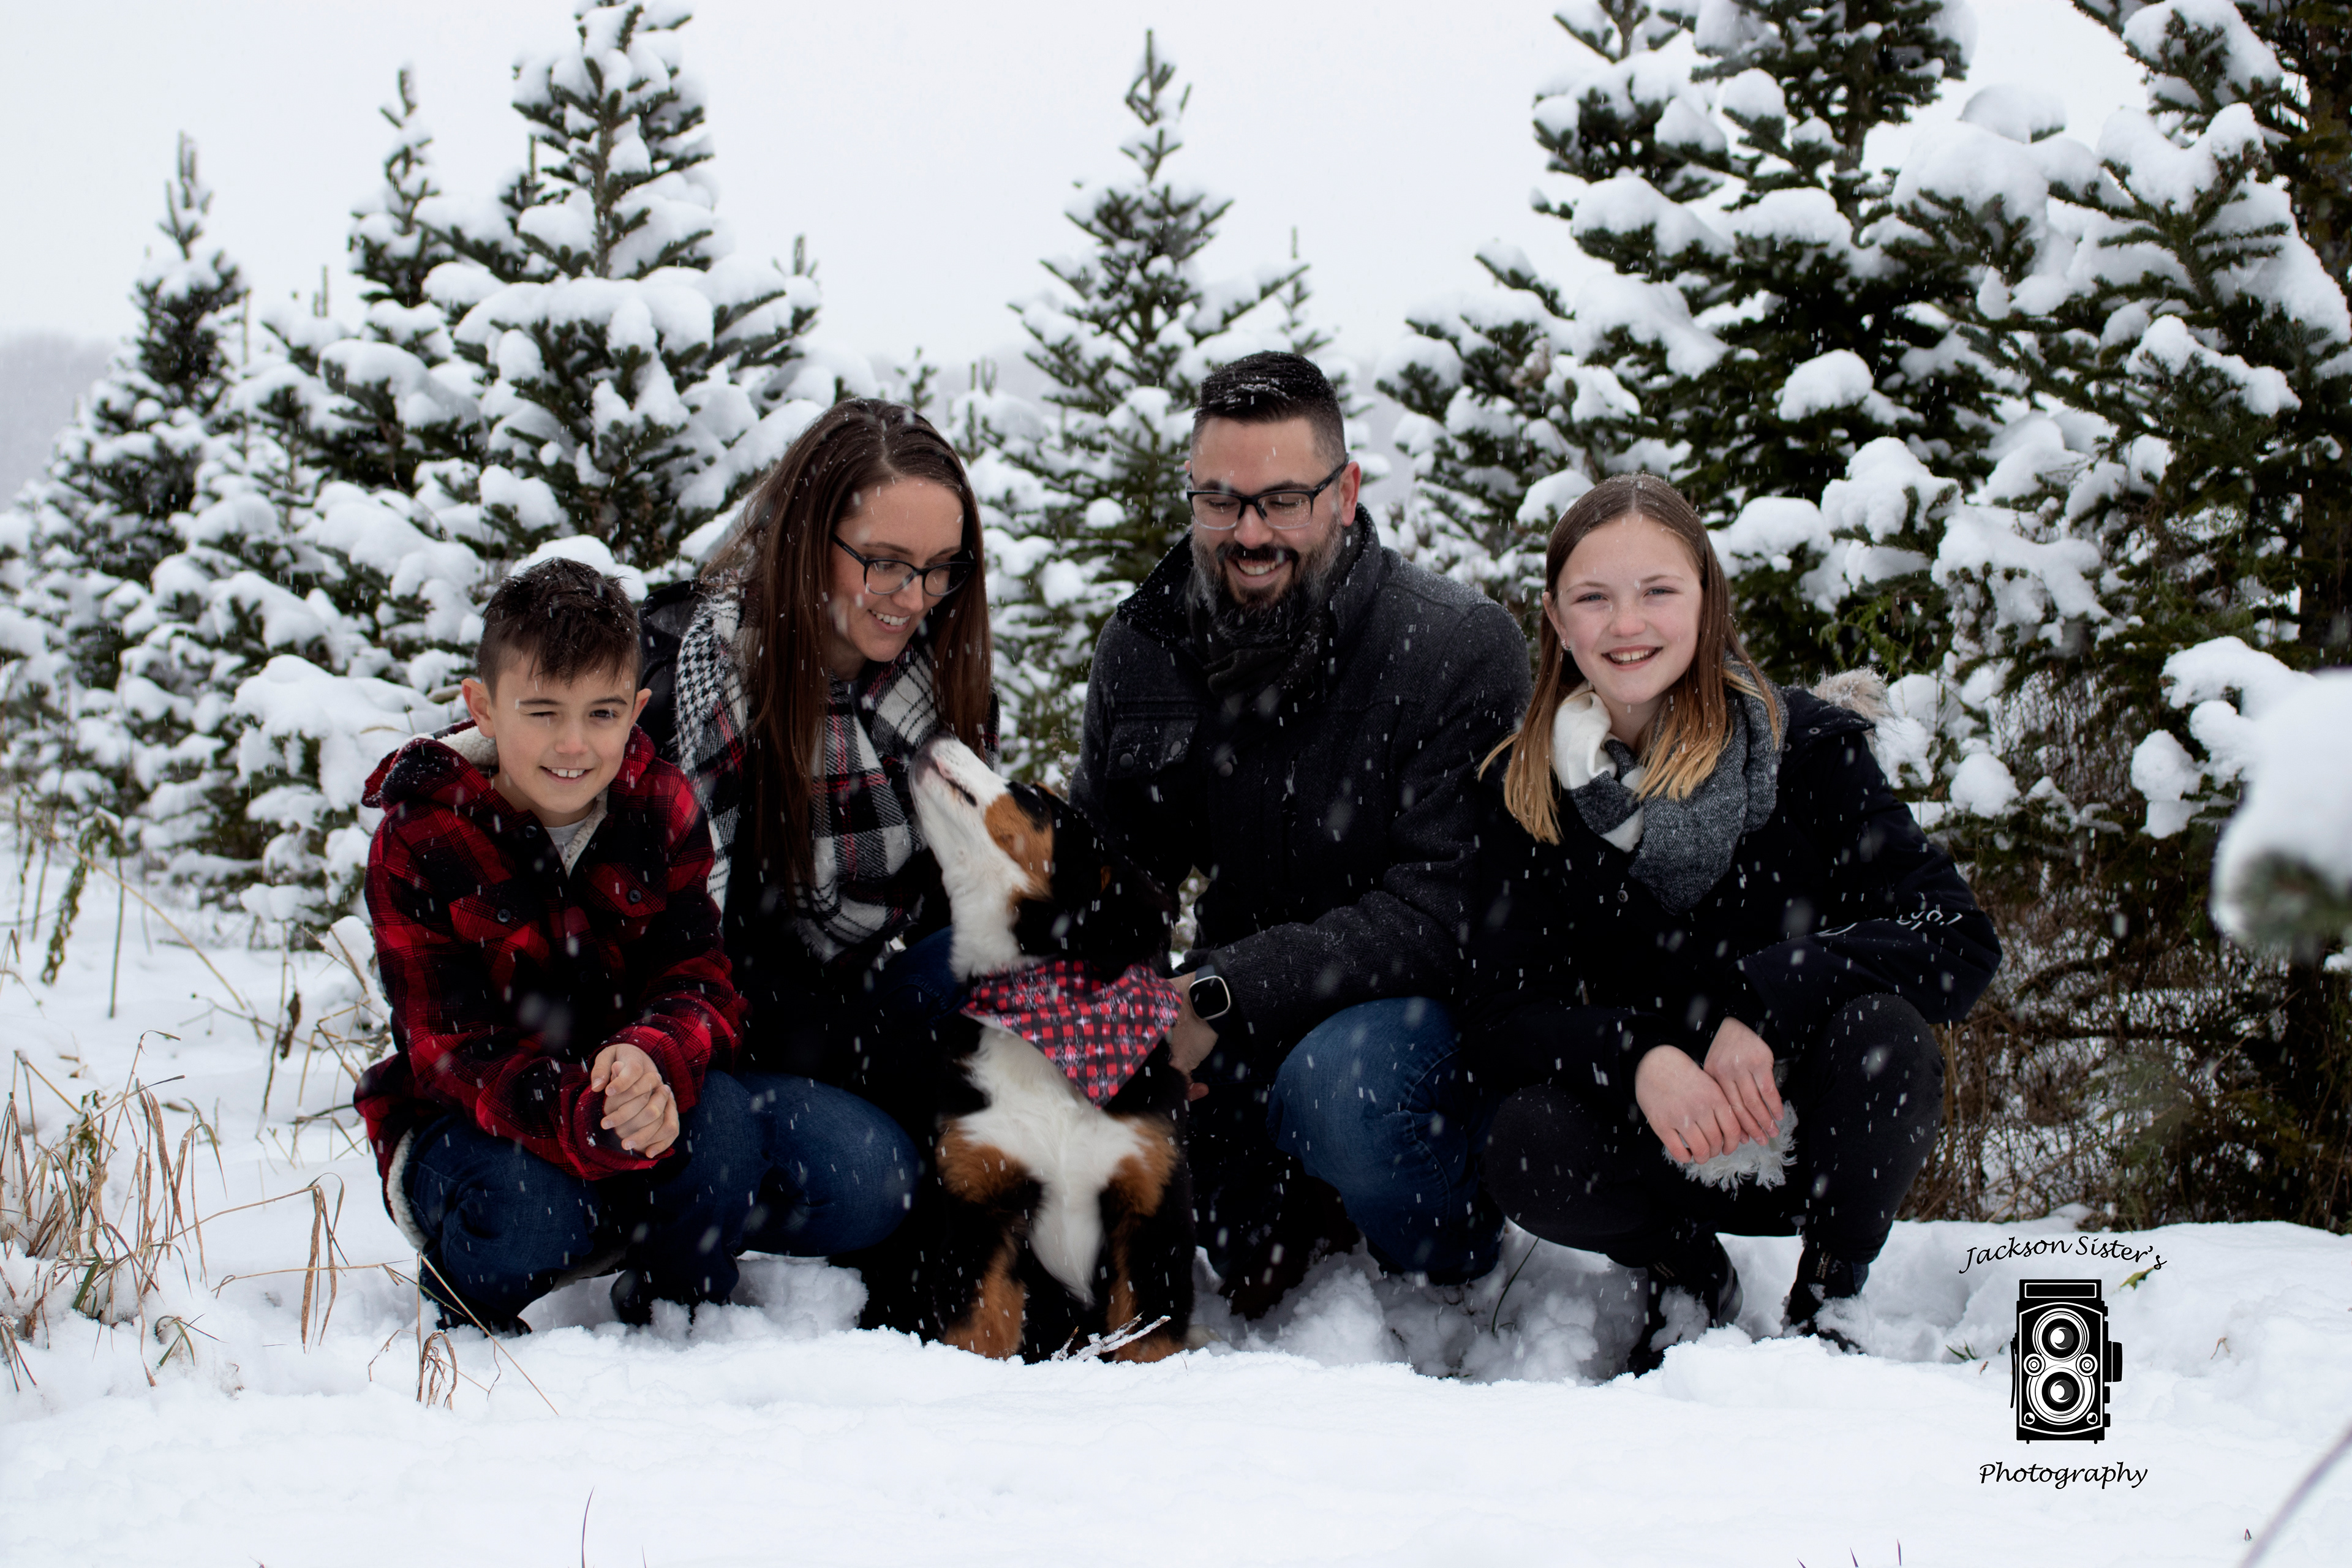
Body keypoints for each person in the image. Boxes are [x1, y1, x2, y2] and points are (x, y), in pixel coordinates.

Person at [1463, 474, 2001, 1373]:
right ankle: (1685, 1276)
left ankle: (1830, 1294)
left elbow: (1958, 939)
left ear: (1707, 598)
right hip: (1657, 1142)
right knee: (1524, 1140)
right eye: (1594, 598)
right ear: (1556, 618)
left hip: (1806, 1134)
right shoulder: (1525, 788)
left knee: (1889, 1038)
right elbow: (1499, 1017)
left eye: (1658, 591)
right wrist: (1640, 1057)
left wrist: (1768, 1000)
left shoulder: (1807, 748)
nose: (1627, 625)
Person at [1071, 352, 1532, 1314]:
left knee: (1347, 1096)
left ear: (1345, 493)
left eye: (1283, 501)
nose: (1250, 534)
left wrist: (1217, 991)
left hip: (1409, 1021)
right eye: (1220, 501)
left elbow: (1444, 916)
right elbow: (1108, 875)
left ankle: (1447, 1271)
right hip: (1241, 1021)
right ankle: (1290, 1202)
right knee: (1245, 1261)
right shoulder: (1147, 646)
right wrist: (1126, 1021)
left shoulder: (1454, 646)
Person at [354, 557, 909, 1333]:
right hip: (490, 1121)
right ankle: (495, 1271)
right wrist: (582, 1114)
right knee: (530, 1210)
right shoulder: (422, 835)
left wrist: (653, 1056)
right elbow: (451, 1053)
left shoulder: (659, 801)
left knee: (872, 1174)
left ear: (637, 708)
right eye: (542, 712)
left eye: (603, 713)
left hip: (644, 1098)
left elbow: (700, 977)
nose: (574, 744)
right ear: (482, 707)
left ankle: (670, 1287)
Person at [642, 400, 993, 1133]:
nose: (914, 599)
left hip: (866, 1009)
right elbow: (709, 958)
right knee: (873, 1169)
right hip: (727, 1033)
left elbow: (953, 912)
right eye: (885, 563)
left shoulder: (933, 692)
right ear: (807, 537)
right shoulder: (698, 686)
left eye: (940, 568)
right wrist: (903, 1065)